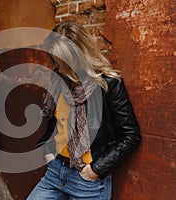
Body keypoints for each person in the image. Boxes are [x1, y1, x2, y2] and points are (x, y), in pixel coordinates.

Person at [27, 22, 141, 200]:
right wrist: (48, 152)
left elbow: (131, 135)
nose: (58, 65)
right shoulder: (59, 79)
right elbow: (57, 122)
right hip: (56, 171)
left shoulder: (108, 84)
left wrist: (96, 169)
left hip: (86, 180)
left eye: (63, 60)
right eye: (56, 59)